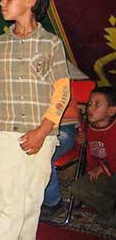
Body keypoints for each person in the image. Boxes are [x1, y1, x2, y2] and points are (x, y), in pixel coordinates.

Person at [0, 0, 70, 239]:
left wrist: (43, 131)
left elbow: (62, 91)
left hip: (43, 133)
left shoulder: (51, 44)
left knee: (31, 200)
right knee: (6, 202)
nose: (2, 2)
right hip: (5, 131)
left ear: (31, 1)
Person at [71, 86, 116, 226]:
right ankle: (109, 212)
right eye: (89, 104)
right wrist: (80, 142)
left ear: (111, 110)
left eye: (97, 104)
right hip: (98, 176)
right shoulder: (86, 127)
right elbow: (82, 153)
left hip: (112, 171)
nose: (90, 108)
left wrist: (104, 168)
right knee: (77, 189)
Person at [40, 93, 79, 221]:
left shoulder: (57, 77)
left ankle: (53, 202)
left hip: (63, 126)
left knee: (44, 155)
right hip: (38, 128)